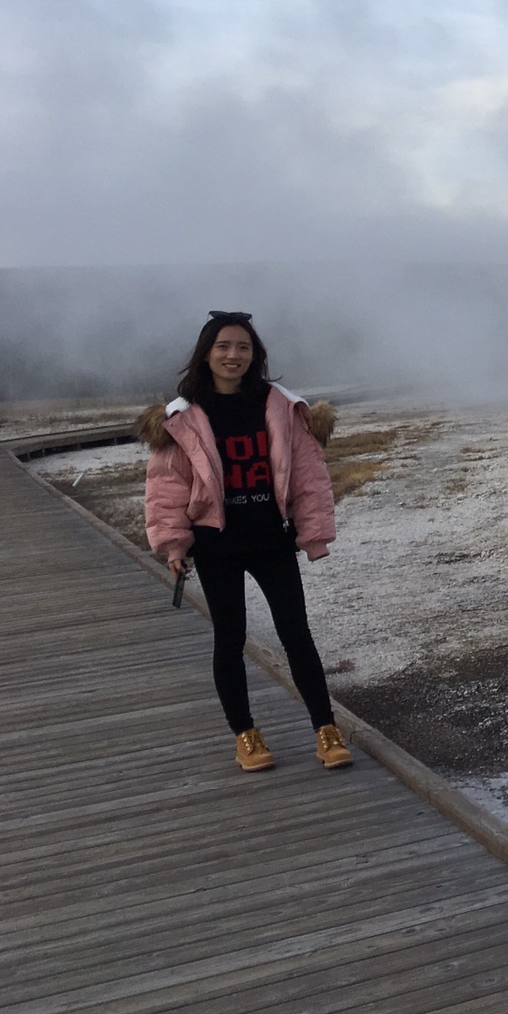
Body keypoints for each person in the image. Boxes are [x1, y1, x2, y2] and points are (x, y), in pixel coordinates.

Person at [140, 311, 353, 772]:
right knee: (229, 637)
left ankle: (325, 728)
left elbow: (309, 476)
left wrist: (313, 533)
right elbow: (166, 487)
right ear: (206, 353)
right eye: (223, 347)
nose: (233, 355)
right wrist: (174, 545)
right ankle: (246, 735)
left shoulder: (279, 405)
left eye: (242, 347)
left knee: (296, 633)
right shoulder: (184, 416)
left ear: (255, 354)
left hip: (270, 538)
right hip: (215, 543)